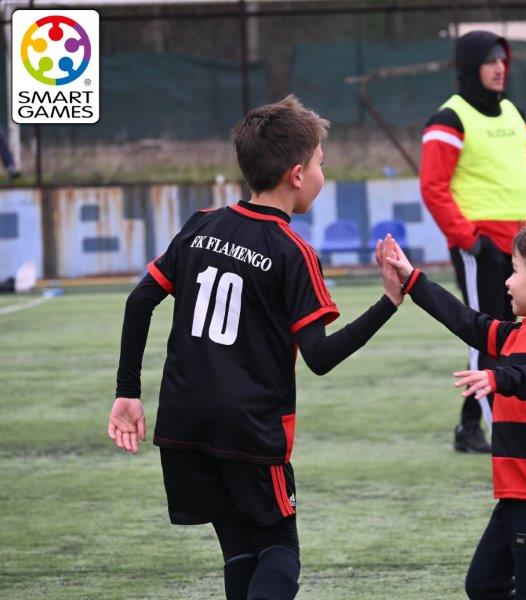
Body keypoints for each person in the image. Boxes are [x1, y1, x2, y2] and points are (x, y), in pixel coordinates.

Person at [107, 96, 404, 600]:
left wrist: (127, 392)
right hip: (250, 430)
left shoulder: (201, 224)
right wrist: (389, 303)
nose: (323, 174)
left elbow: (140, 301)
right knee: (280, 547)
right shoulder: (292, 252)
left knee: (239, 549)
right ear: (296, 174)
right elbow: (319, 357)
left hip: (184, 424)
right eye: (320, 164)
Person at [379, 224, 526, 599]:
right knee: (483, 585)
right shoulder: (516, 333)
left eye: (514, 271)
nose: (507, 282)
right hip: (518, 492)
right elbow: (464, 320)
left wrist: (501, 378)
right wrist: (412, 279)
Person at [420, 30, 526, 453]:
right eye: (490, 61)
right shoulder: (448, 120)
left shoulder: (515, 114)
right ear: (471, 67)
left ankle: (471, 425)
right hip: (481, 248)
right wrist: (470, 240)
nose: (499, 68)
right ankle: (498, 432)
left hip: (521, 245)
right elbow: (433, 188)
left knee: (511, 334)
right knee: (485, 334)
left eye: (502, 60)